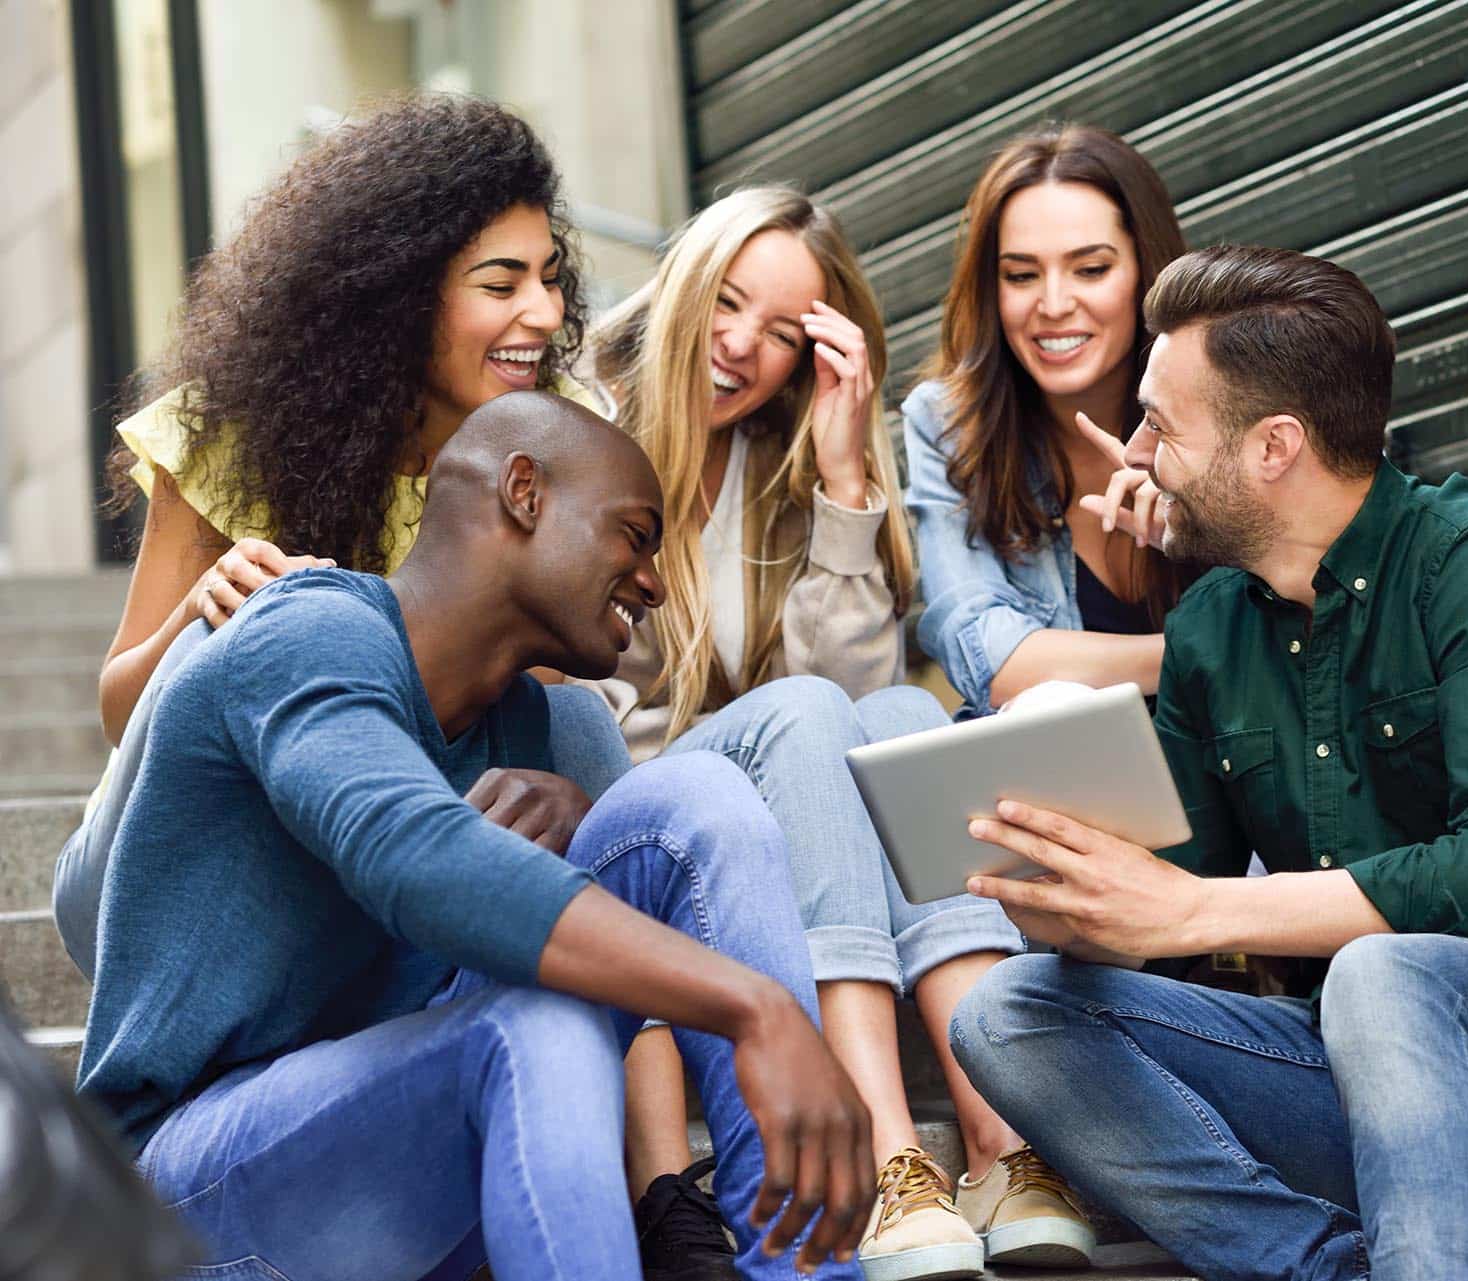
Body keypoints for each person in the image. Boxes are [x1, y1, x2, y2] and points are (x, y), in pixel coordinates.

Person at [950, 246, 1468, 1281]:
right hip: (1371, 1087)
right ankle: (1321, 1267)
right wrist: (1066, 891)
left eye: (1163, 424)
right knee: (1010, 1013)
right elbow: (1167, 908)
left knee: (1387, 968)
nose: (1139, 455)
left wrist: (1197, 911)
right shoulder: (1210, 628)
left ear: (1274, 448)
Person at [78, 391, 875, 1281]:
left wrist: (587, 828)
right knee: (526, 1026)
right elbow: (411, 857)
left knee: (696, 796)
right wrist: (754, 1005)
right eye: (635, 534)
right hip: (184, 1196)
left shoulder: (530, 728)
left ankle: (806, 1270)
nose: (653, 580)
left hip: (403, 1165)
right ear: (524, 492)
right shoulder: (307, 629)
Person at [579, 186, 1087, 1281]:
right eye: (727, 304)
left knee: (907, 718)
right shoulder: (583, 426)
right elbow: (585, 700)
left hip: (776, 779)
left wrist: (847, 473)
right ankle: (885, 1154)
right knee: (820, 716)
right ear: (683, 283)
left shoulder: (781, 458)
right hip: (643, 813)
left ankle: (999, 1145)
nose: (739, 349)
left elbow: (851, 690)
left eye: (779, 333)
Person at [55, 92, 632, 981]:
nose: (546, 313)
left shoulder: (552, 448)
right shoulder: (229, 435)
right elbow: (117, 709)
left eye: (550, 276)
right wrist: (203, 622)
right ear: (400, 297)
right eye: (501, 283)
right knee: (245, 627)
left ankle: (624, 1065)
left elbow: (522, 712)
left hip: (389, 847)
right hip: (169, 865)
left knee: (573, 719)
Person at [903, 125, 1188, 720]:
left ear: (1146, 270)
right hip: (1067, 781)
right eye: (1022, 275)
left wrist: (1202, 527)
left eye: (1090, 269)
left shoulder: (1228, 399)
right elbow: (988, 660)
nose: (1053, 304)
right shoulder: (948, 426)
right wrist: (1200, 654)